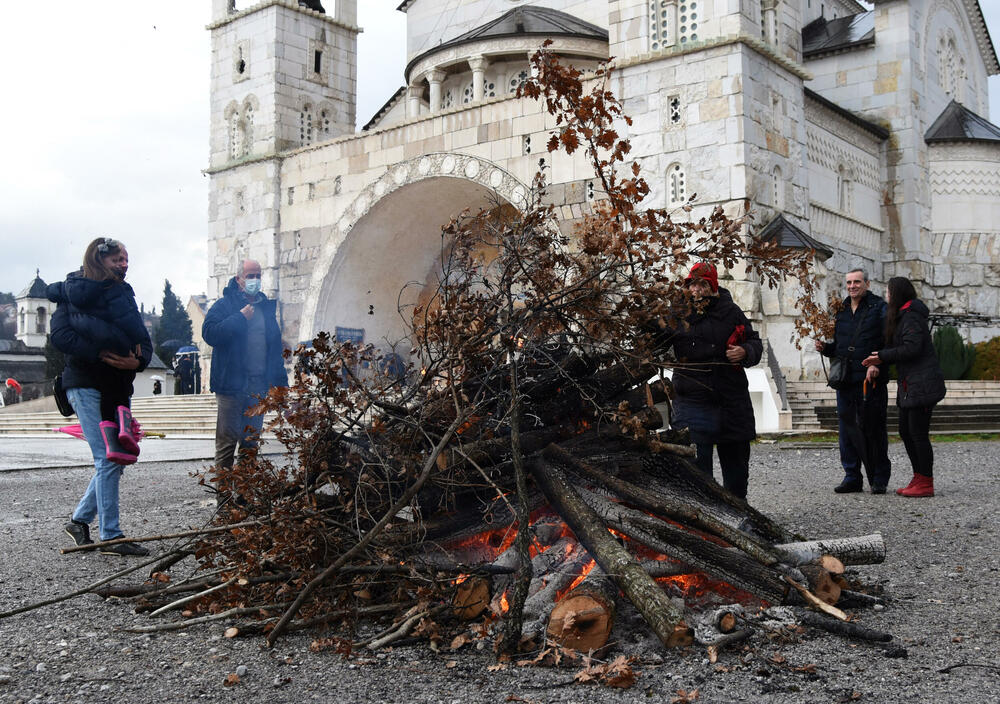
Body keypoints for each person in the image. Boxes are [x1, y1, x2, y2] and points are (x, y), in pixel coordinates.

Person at [47, 237, 152, 556]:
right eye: (117, 258)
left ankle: (79, 521)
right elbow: (60, 336)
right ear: (99, 259)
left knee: (116, 461)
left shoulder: (124, 293)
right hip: (85, 383)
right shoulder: (71, 292)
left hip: (118, 386)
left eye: (126, 258)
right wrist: (100, 354)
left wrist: (139, 361)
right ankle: (111, 536)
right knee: (108, 458)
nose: (124, 263)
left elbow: (143, 339)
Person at [658, 262, 763, 499]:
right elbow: (656, 342)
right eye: (692, 284)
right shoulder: (678, 313)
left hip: (731, 401)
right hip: (692, 401)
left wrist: (745, 351)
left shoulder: (731, 311)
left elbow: (755, 342)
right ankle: (706, 523)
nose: (695, 289)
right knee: (697, 475)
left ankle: (740, 519)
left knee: (736, 475)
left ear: (712, 286)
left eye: (701, 284)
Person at [202, 260, 288, 496]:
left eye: (258, 275)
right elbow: (209, 333)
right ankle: (224, 501)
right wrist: (239, 318)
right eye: (250, 275)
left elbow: (274, 351)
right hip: (231, 387)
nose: (255, 280)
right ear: (239, 278)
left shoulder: (266, 310)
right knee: (227, 443)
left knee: (250, 444)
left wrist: (281, 386)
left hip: (258, 386)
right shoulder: (224, 305)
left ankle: (245, 497)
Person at [862, 277, 946, 497]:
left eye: (889, 292)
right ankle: (919, 476)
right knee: (905, 431)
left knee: (917, 433)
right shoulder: (902, 317)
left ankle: (926, 482)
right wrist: (879, 359)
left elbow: (912, 348)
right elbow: (897, 347)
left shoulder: (911, 318)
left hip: (922, 384)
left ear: (897, 293)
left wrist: (881, 357)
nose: (887, 297)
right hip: (911, 384)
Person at [815, 268, 890, 494]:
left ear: (867, 283)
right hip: (846, 379)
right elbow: (840, 346)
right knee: (846, 430)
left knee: (874, 428)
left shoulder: (879, 308)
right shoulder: (842, 309)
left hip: (871, 379)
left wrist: (879, 363)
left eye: (857, 282)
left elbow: (889, 341)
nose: (852, 286)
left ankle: (878, 478)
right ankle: (852, 476)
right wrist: (826, 348)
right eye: (849, 283)